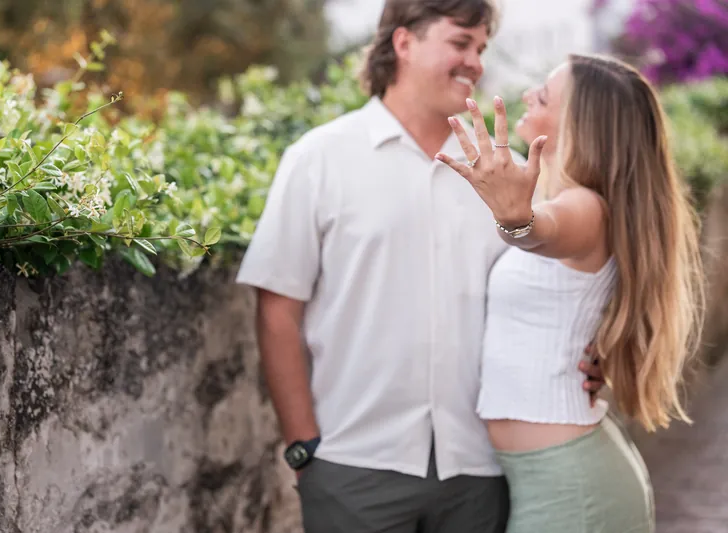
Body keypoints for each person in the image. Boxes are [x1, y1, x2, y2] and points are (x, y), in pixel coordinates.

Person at [236, 1, 603, 532]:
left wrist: (594, 355)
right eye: (460, 43)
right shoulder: (318, 158)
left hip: (483, 470)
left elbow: (560, 284)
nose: (475, 62)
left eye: (481, 47)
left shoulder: (510, 175)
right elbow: (276, 311)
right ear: (403, 43)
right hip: (352, 467)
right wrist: (304, 448)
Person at [435, 53, 706, 533]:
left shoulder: (585, 207)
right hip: (554, 475)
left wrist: (515, 221)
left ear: (579, 125)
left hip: (570, 485)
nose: (524, 96)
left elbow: (542, 230)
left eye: (541, 96)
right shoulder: (574, 200)